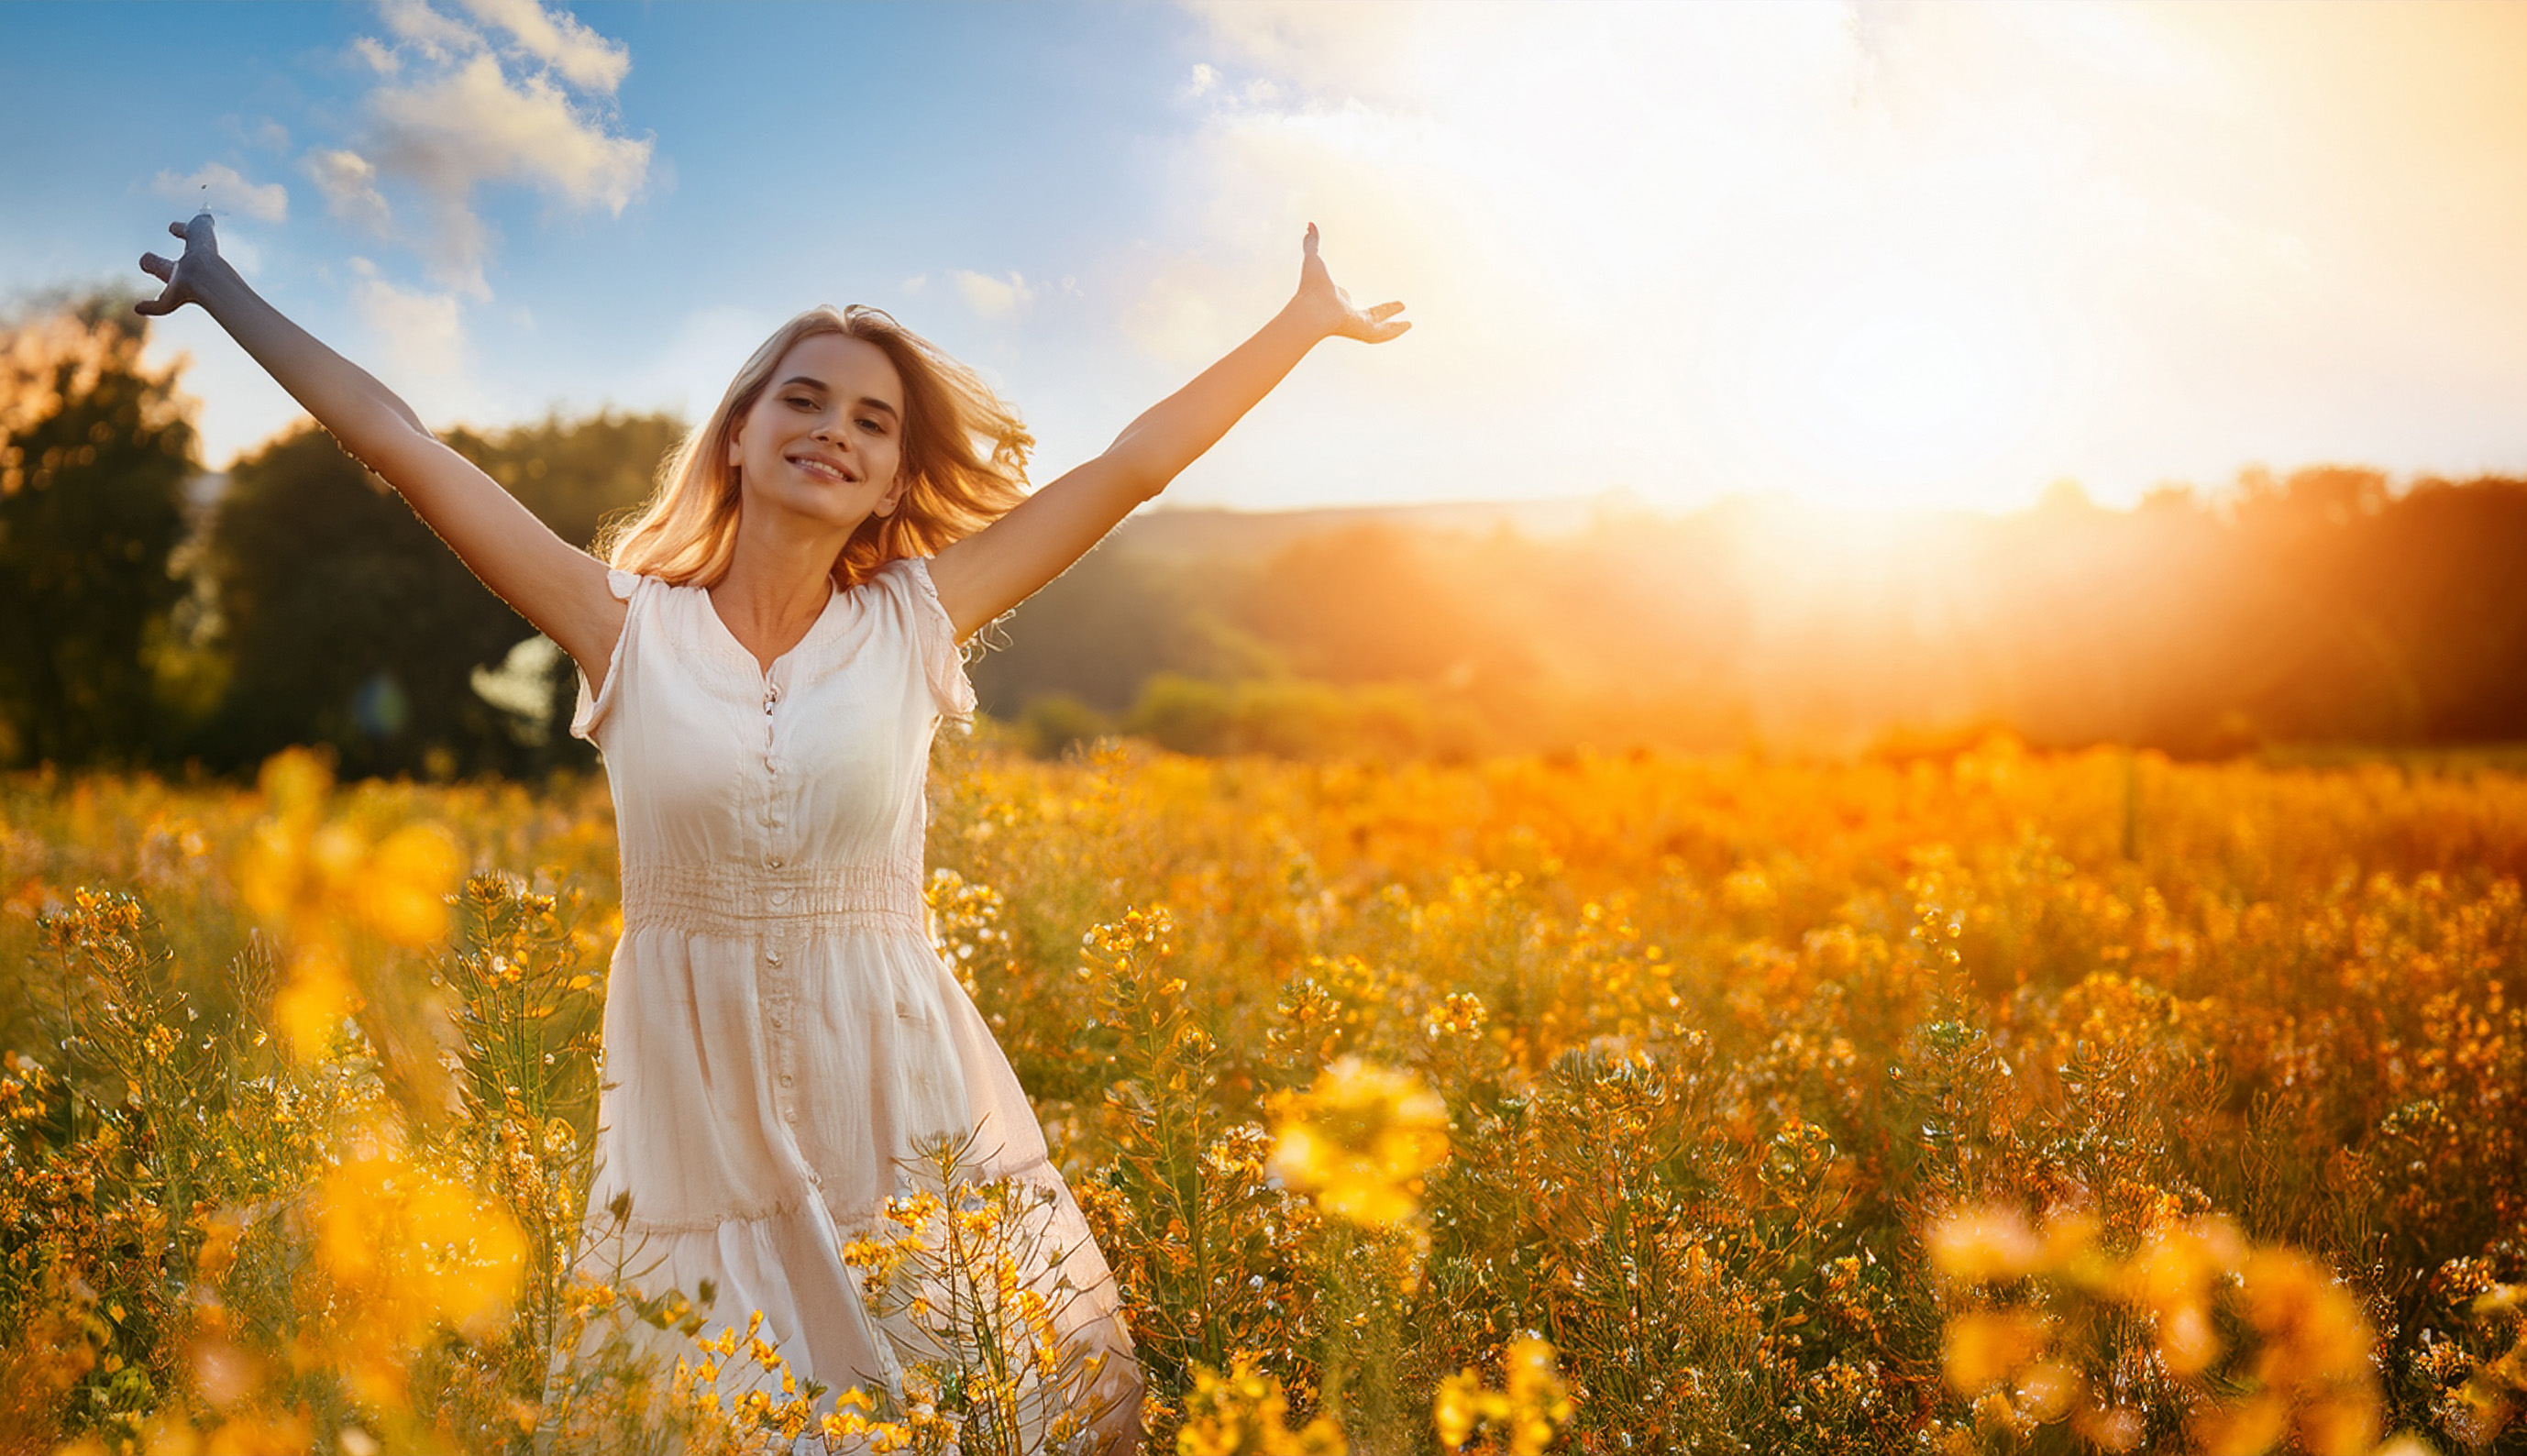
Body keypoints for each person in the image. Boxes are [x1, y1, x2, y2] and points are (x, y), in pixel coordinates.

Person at [138, 211, 1407, 1450]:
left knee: (958, 1406)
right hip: (700, 1124)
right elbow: (405, 446)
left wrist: (1298, 327)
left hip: (895, 1091)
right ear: (740, 431)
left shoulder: (917, 619)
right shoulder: (622, 625)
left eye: (871, 422)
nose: (832, 432)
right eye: (803, 400)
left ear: (896, 479)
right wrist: (225, 291)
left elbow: (1133, 465)